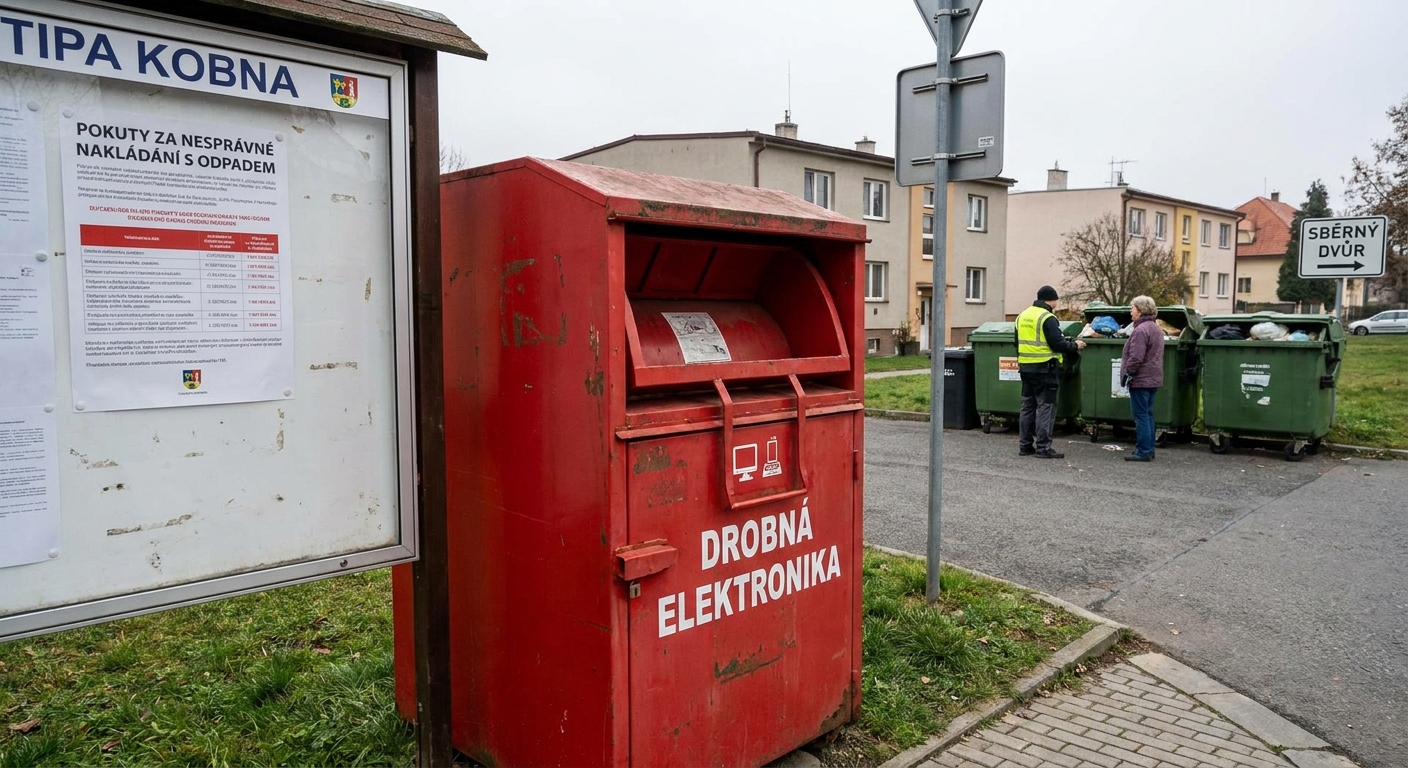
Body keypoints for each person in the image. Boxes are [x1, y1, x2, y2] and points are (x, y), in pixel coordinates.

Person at [1016, 286, 1085, 458]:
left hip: (1026, 368)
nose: (1057, 303)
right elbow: (1058, 344)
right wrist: (1075, 345)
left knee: (1027, 407)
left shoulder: (1022, 316)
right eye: (1056, 300)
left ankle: (1025, 446)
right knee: (1046, 407)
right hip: (1045, 369)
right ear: (1051, 300)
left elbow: (1016, 343)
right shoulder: (1048, 317)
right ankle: (1043, 447)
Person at [1120, 295, 1164, 462]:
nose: (1131, 311)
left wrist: (1128, 374)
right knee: (1148, 414)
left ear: (1140, 310)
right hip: (1153, 378)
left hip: (1141, 379)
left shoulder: (1140, 330)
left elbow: (1136, 357)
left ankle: (1143, 451)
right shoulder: (1155, 328)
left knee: (1141, 416)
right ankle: (1149, 449)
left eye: (1133, 308)